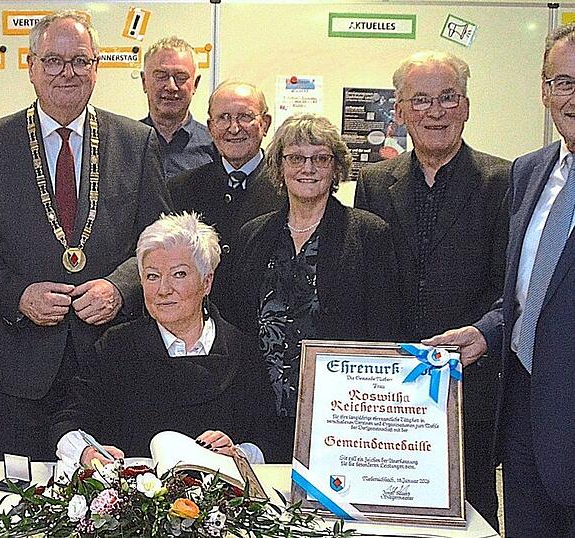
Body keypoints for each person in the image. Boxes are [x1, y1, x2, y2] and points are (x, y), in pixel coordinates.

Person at [0, 10, 170, 460]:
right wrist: (18, 295)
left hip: (113, 357)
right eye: (53, 60)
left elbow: (158, 241)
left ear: (97, 68)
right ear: (31, 67)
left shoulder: (137, 141)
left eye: (79, 61)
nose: (66, 73)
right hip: (20, 364)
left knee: (114, 504)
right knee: (22, 503)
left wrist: (121, 287)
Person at [426, 23, 575, 537]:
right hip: (522, 420)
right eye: (564, 82)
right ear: (544, 91)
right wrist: (487, 332)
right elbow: (525, 290)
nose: (573, 96)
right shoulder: (530, 172)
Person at [354, 50, 508, 530]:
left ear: (466, 107)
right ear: (398, 112)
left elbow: (512, 285)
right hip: (391, 392)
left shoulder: (504, 179)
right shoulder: (373, 182)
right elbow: (368, 277)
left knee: (471, 512)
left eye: (447, 98)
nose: (434, 112)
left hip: (471, 387)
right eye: (420, 101)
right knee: (389, 509)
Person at [217, 114, 399, 461]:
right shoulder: (253, 234)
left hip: (339, 414)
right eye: (296, 158)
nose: (308, 168)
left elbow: (383, 330)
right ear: (279, 167)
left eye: (321, 158)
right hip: (259, 410)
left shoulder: (369, 234)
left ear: (336, 168)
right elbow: (235, 324)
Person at [53, 213, 280, 466]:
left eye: (179, 274)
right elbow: (69, 421)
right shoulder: (116, 347)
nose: (163, 289)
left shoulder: (241, 350)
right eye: (152, 276)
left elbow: (268, 439)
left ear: (207, 282)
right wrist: (86, 452)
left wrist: (238, 454)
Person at [169, 81, 283, 260]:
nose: (234, 128)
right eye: (223, 118)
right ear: (210, 128)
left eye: (245, 116)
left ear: (265, 124)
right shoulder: (182, 189)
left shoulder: (287, 189)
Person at [139, 36, 218, 179]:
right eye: (161, 75)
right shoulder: (124, 144)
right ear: (144, 82)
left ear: (195, 84)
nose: (171, 86)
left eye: (181, 77)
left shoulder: (215, 146)